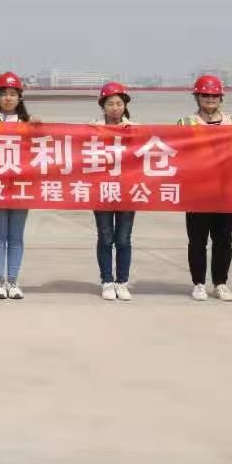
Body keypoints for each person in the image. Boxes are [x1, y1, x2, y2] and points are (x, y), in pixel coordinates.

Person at [178, 75, 232, 302]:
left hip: (227, 191)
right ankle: (199, 283)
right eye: (205, 95)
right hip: (198, 192)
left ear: (221, 98)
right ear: (197, 97)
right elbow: (179, 153)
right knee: (197, 240)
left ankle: (220, 283)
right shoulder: (186, 123)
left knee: (224, 239)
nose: (210, 99)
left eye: (214, 95)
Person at [0, 72, 34, 300]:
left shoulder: (28, 123)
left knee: (16, 236)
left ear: (19, 97)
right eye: (4, 94)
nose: (8, 98)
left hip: (21, 186)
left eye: (13, 94)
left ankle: (13, 280)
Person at [93, 82, 135, 301]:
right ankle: (107, 281)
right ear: (103, 106)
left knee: (124, 239)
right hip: (101, 190)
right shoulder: (93, 129)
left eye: (119, 103)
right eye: (110, 104)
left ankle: (122, 282)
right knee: (105, 237)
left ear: (125, 105)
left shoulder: (136, 129)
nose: (115, 108)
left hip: (127, 190)